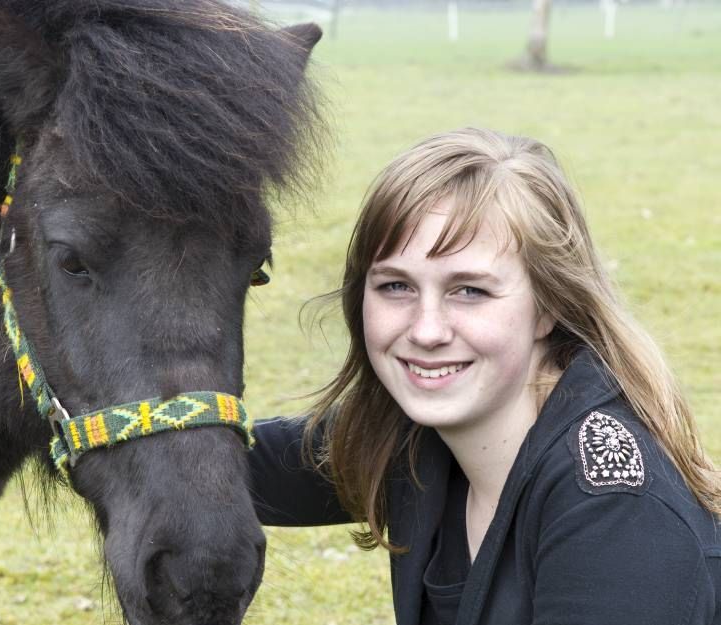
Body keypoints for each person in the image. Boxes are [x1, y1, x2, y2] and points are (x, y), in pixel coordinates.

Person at [249, 127, 721, 625]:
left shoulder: (614, 512)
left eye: (470, 291)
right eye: (395, 286)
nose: (426, 330)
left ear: (549, 307)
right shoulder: (406, 438)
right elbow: (211, 464)